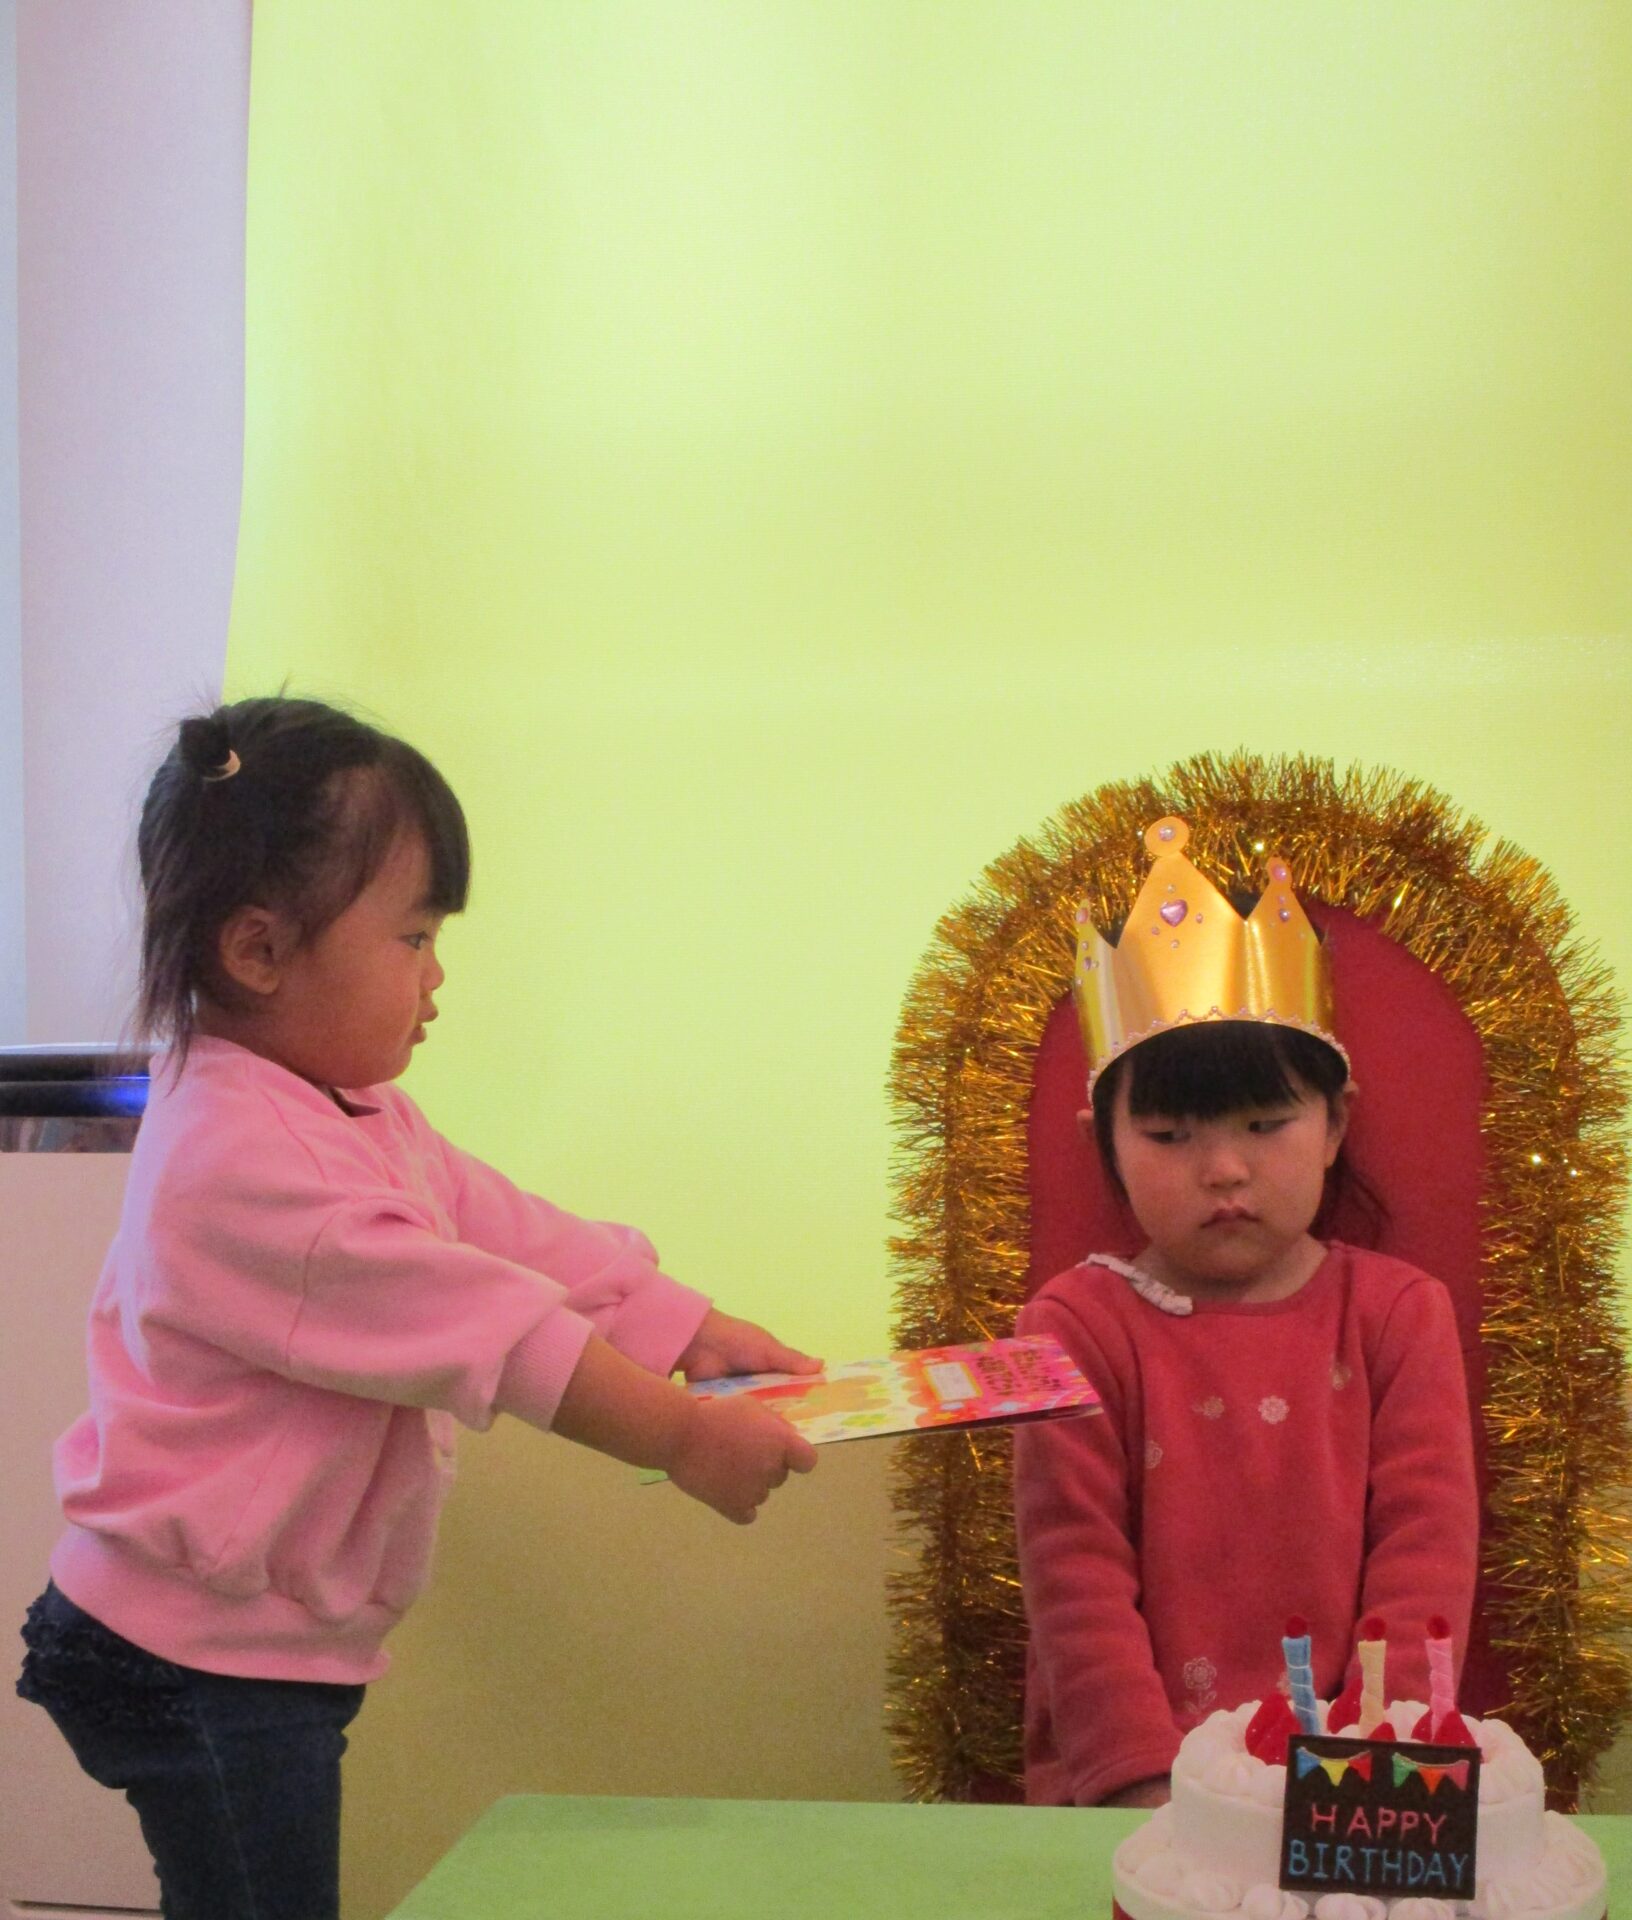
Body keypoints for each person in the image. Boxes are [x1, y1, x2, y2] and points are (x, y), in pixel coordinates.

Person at [15, 696, 822, 1920]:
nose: (437, 976)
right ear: (258, 951)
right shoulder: (244, 1160)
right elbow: (486, 1324)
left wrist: (680, 1324)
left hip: (240, 1646)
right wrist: (682, 1436)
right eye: (413, 937)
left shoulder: (344, 1109)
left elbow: (502, 1229)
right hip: (192, 1658)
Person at [1012, 816, 1478, 1810]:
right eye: (1170, 1135)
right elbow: (1073, 1576)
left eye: (1266, 1125)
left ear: (1335, 1124)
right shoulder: (1074, 1326)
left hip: (1350, 1785)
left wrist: (1371, 1771)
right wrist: (1141, 1784)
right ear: (1105, 1144)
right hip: (1132, 1790)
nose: (1224, 1169)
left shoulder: (1397, 1314)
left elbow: (1425, 1562)